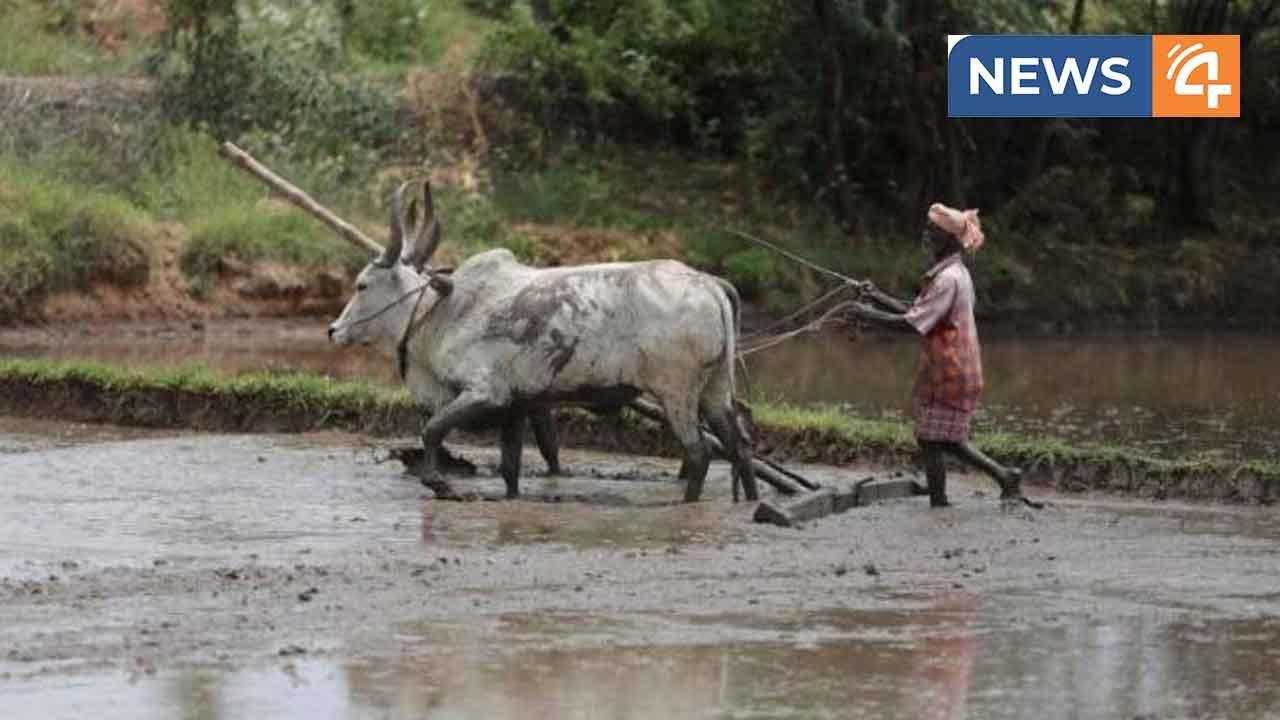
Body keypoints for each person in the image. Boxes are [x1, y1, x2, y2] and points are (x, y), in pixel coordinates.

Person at [847, 203, 1028, 508]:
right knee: (944, 439)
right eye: (927, 230)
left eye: (933, 232)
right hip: (950, 368)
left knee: (932, 440)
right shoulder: (951, 274)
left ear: (949, 240)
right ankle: (1002, 476)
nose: (926, 236)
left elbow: (913, 324)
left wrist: (867, 314)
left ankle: (942, 500)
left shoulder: (947, 279)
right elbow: (919, 312)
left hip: (950, 371)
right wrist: (877, 297)